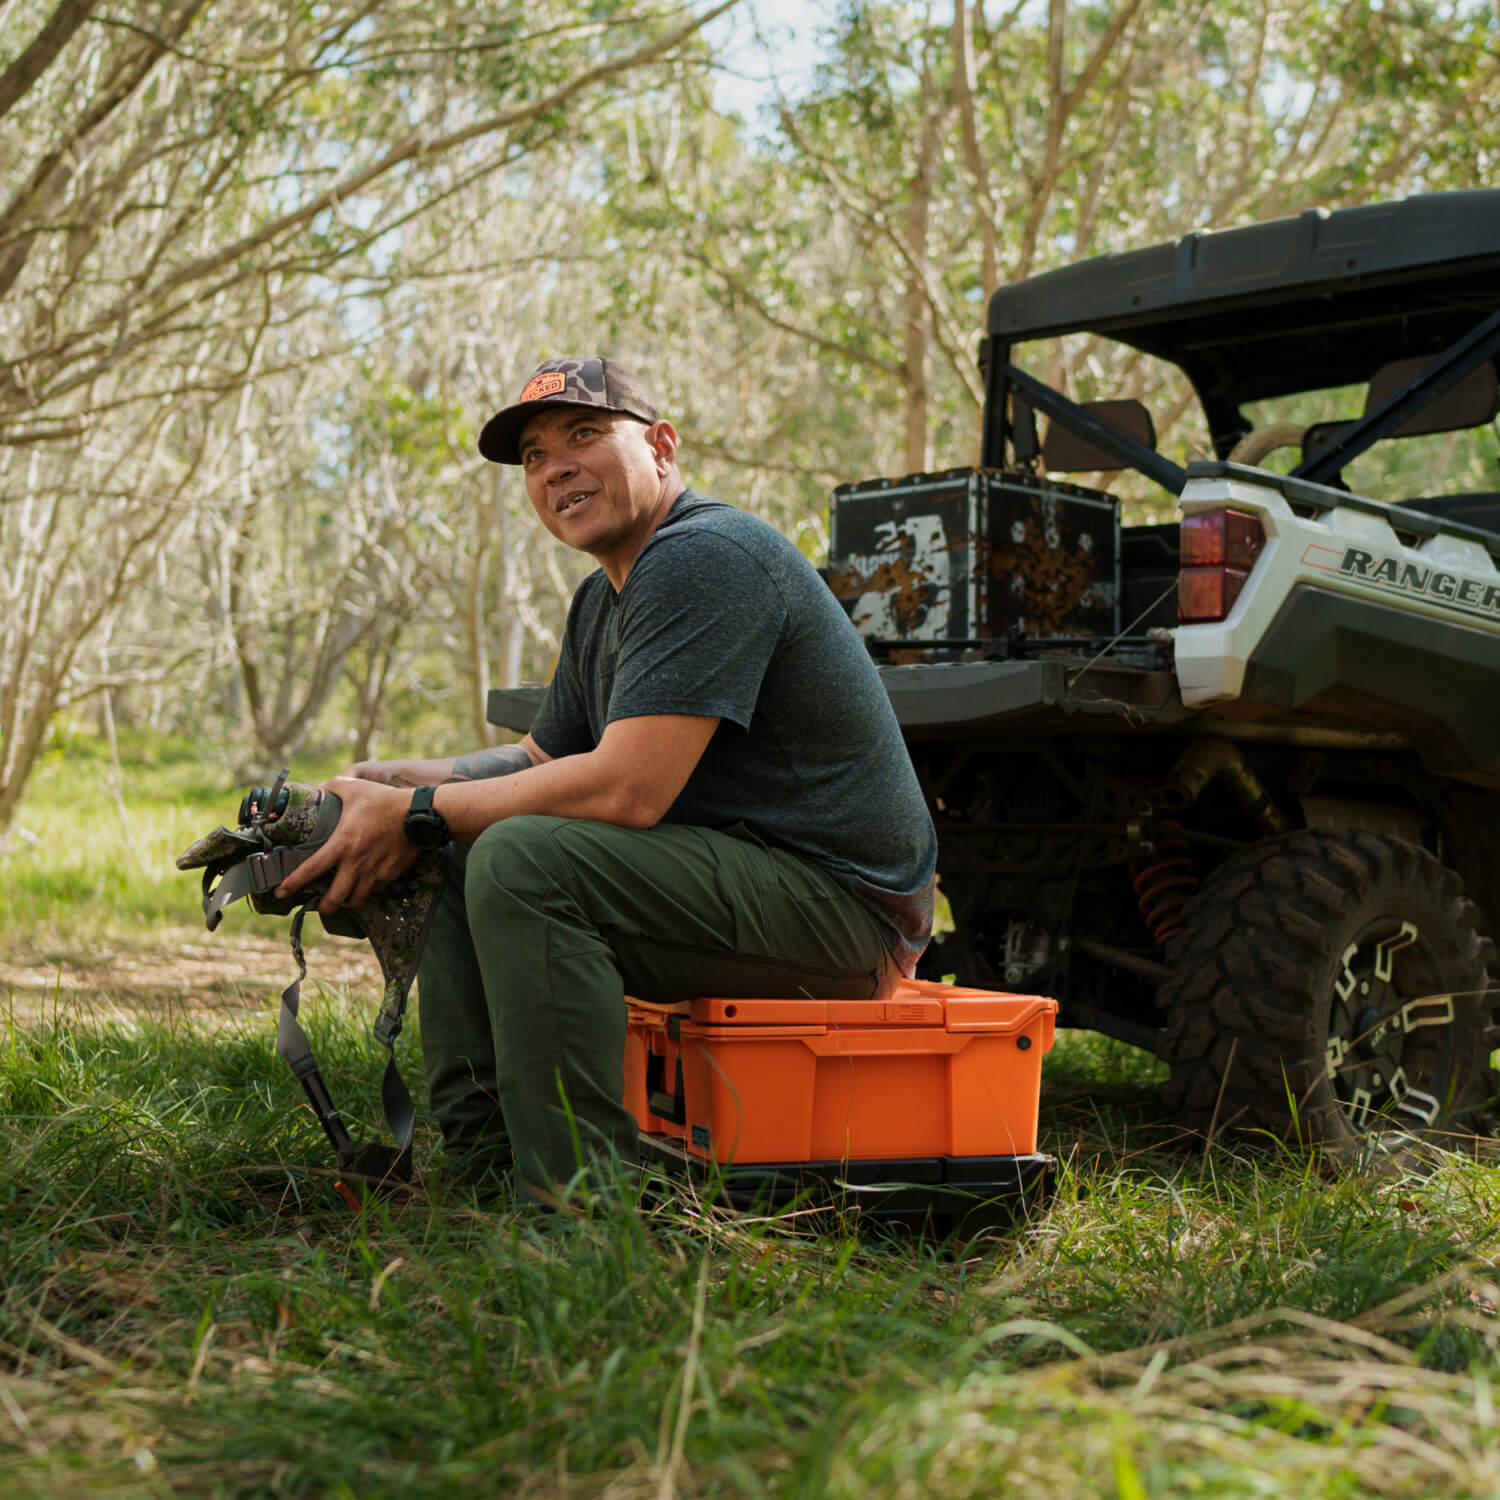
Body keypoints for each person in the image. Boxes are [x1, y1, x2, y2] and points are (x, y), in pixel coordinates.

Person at [278, 356, 937, 1198]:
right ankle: (480, 1172)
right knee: (456, 846)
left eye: (585, 434)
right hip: (741, 882)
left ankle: (575, 1211)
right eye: (535, 457)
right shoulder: (603, 599)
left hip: (844, 914)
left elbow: (629, 789)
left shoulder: (708, 556)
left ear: (661, 447)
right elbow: (543, 760)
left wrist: (414, 811)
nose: (556, 467)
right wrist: (378, 785)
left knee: (521, 859)